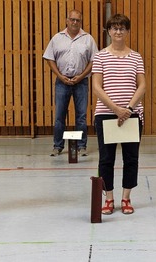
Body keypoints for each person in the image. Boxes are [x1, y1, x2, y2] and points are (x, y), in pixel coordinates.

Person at [92, 14, 146, 215]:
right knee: (106, 159)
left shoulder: (136, 57)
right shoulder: (100, 56)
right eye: (114, 28)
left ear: (127, 31)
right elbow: (97, 87)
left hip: (131, 116)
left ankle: (126, 198)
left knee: (131, 158)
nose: (118, 32)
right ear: (108, 32)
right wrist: (115, 109)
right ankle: (109, 198)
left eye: (122, 28)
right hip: (106, 115)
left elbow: (142, 86)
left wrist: (129, 109)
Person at [44, 10, 98, 157]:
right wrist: (59, 76)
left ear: (81, 22)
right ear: (67, 20)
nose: (75, 22)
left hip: (81, 82)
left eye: (78, 20)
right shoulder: (57, 38)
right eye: (72, 19)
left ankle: (82, 146)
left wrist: (81, 76)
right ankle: (58, 146)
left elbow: (94, 60)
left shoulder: (88, 39)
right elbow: (49, 57)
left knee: (81, 116)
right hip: (62, 81)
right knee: (60, 115)